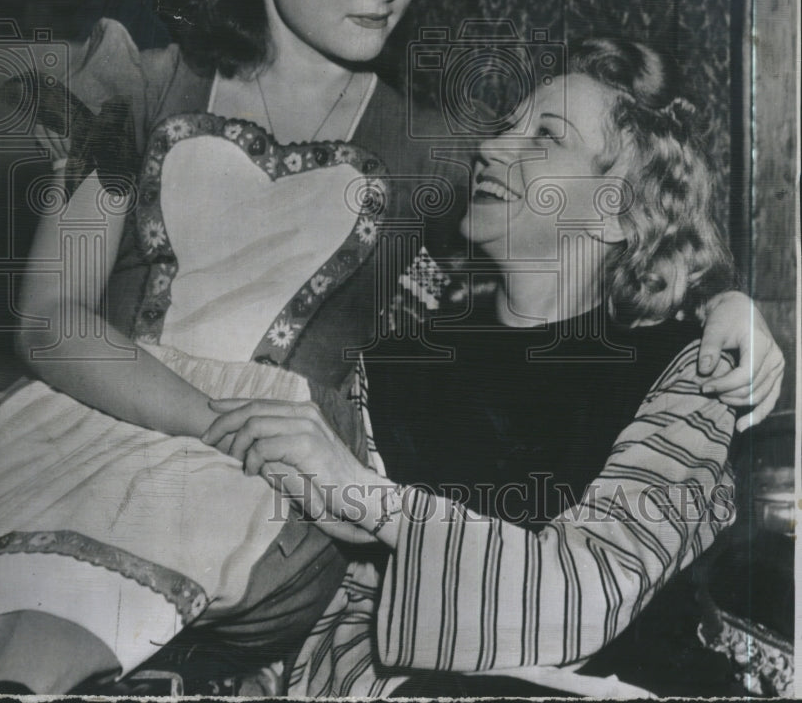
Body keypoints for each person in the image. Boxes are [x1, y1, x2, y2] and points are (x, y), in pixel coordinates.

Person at [0, 0, 783, 694]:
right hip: (84, 427)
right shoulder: (135, 85)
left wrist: (728, 302)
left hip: (269, 496)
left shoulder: (430, 149)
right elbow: (51, 321)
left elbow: (613, 212)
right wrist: (212, 421)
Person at [202, 38, 773, 698]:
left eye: (545, 139)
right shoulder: (396, 364)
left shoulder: (686, 372)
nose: (491, 149)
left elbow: (585, 590)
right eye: (507, 127)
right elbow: (349, 605)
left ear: (614, 209)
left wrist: (368, 498)